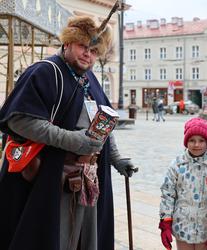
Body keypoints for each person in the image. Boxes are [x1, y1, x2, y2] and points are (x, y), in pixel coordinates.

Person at [0, 14, 137, 250]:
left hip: (88, 179)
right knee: (53, 239)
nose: (88, 55)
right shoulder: (44, 72)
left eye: (94, 51)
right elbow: (20, 121)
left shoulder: (90, 78)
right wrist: (72, 140)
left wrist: (115, 159)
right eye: (83, 47)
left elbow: (103, 124)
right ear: (68, 43)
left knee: (83, 240)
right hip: (50, 178)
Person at [159, 118, 207, 250]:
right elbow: (168, 193)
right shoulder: (177, 164)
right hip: (182, 225)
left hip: (205, 228)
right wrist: (165, 221)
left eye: (201, 140)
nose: (196, 145)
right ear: (186, 142)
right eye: (192, 140)